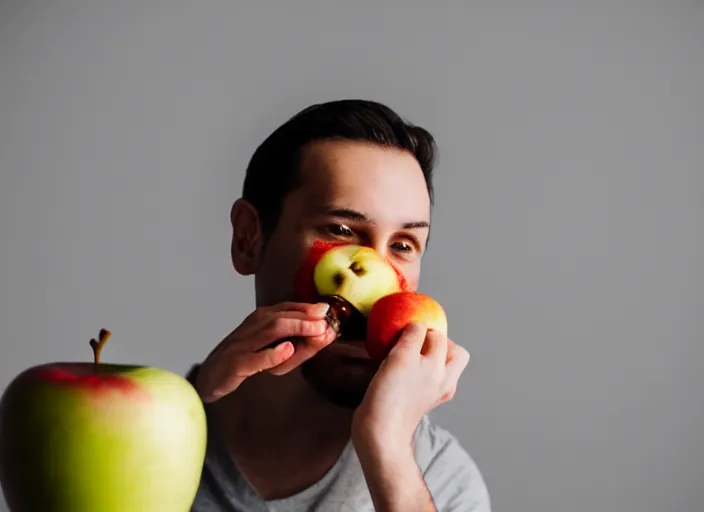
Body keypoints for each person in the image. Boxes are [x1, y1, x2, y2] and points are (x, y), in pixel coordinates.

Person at [186, 99, 491, 511]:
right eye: (342, 230)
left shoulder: (441, 479)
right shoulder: (125, 426)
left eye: (402, 245)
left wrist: (387, 448)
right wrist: (176, 419)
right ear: (249, 239)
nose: (379, 278)